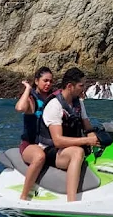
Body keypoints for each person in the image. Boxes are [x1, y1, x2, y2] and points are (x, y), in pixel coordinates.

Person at [38, 66, 100, 202]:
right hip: (51, 151)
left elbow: (88, 127)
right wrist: (86, 141)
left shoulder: (79, 103)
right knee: (77, 153)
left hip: (69, 147)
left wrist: (94, 137)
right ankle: (71, 201)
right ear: (70, 86)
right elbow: (58, 141)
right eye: (81, 85)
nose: (83, 89)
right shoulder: (55, 105)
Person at [14, 66, 54, 201]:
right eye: (45, 81)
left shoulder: (54, 99)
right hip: (30, 144)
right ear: (37, 81)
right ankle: (24, 196)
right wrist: (27, 89)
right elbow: (20, 108)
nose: (48, 84)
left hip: (49, 143)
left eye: (50, 81)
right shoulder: (32, 99)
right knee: (39, 157)